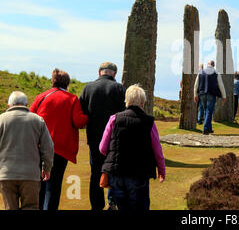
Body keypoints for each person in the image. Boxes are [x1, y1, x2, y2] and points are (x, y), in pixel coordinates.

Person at [99, 84, 165, 211]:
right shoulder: (149, 122)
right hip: (139, 173)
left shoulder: (114, 119)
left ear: (126, 101)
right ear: (143, 102)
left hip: (117, 173)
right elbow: (157, 151)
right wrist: (161, 170)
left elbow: (102, 147)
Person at [30, 69, 88, 210]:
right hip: (61, 149)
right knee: (53, 186)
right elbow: (79, 121)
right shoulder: (72, 99)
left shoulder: (41, 97)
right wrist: (89, 115)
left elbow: (30, 117)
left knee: (39, 185)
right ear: (67, 83)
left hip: (39, 147)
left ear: (53, 81)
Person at [79, 62, 126, 211]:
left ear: (99, 72)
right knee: (115, 170)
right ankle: (112, 202)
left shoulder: (88, 88)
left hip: (94, 138)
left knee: (95, 172)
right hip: (114, 138)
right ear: (114, 74)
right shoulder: (119, 88)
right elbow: (123, 113)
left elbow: (82, 113)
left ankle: (96, 206)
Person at [0, 92, 54, 210]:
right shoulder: (38, 120)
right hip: (31, 174)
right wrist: (46, 168)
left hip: (6, 174)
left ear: (9, 105)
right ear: (26, 104)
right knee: (30, 207)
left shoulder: (1, 119)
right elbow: (48, 147)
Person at [194, 60, 226, 135]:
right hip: (211, 94)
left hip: (202, 94)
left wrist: (195, 95)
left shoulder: (201, 72)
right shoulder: (216, 73)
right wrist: (224, 96)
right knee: (209, 111)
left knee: (206, 111)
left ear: (207, 64)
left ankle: (209, 128)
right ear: (213, 65)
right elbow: (221, 85)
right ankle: (205, 129)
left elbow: (196, 84)